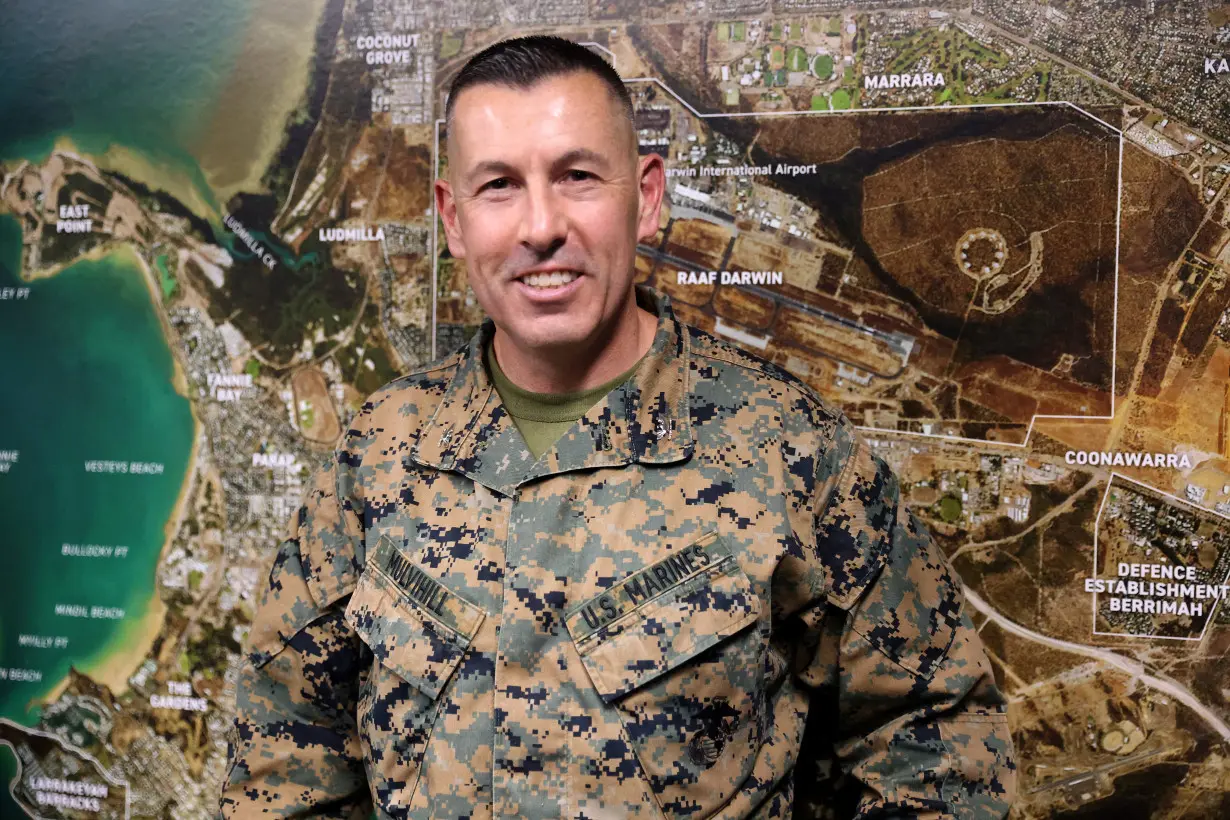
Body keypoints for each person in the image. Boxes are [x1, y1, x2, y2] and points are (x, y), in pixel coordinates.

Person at [219, 35, 1016, 819]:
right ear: (452, 219)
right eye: (498, 185)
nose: (540, 226)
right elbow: (285, 758)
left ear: (648, 195)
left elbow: (936, 740)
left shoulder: (791, 453)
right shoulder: (378, 455)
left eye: (576, 177)